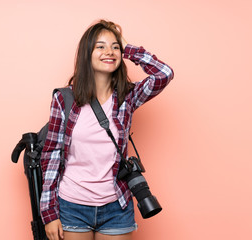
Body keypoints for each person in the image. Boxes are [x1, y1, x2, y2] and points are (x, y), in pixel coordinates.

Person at [40, 19, 174, 240]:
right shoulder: (64, 99)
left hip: (116, 206)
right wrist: (49, 213)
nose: (109, 52)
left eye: (115, 46)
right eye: (100, 46)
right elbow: (51, 155)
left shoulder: (128, 97)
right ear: (87, 53)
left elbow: (164, 74)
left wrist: (128, 48)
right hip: (72, 204)